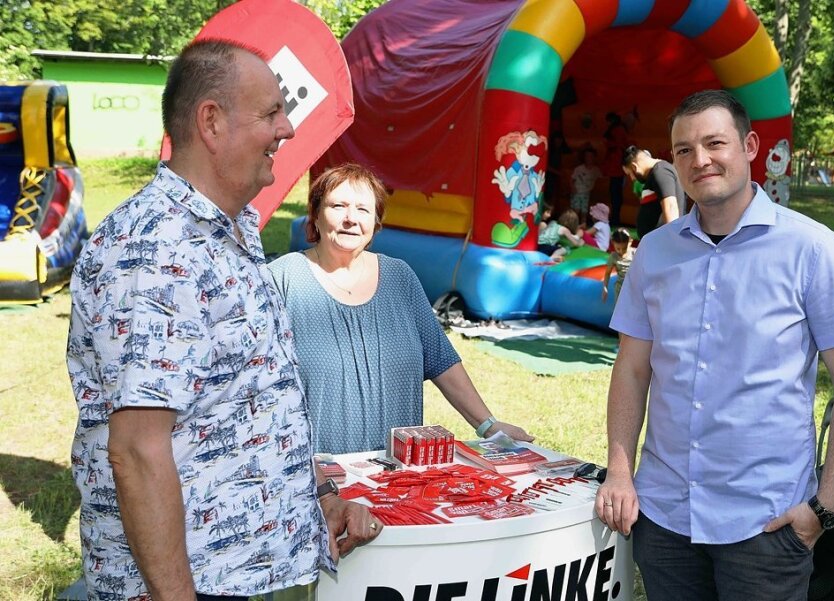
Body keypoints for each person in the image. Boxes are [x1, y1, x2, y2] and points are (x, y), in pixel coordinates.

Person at [67, 40, 380, 601]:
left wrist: (316, 495)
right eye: (271, 113)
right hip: (197, 584)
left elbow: (250, 401)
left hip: (256, 571)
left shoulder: (228, 232)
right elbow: (137, 450)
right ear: (210, 121)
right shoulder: (155, 249)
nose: (286, 129)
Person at [595, 89, 834, 601]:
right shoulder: (655, 253)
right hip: (664, 517)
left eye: (714, 143)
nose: (699, 160)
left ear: (749, 145)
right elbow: (633, 370)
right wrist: (619, 469)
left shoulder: (812, 248)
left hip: (767, 525)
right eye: (683, 150)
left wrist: (824, 508)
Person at [268, 163, 533, 455]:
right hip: (316, 477)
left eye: (363, 209)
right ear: (315, 215)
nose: (350, 219)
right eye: (338, 206)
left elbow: (441, 360)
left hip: (398, 476)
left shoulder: (399, 277)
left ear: (376, 222)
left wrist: (488, 425)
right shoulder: (282, 279)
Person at [622, 145, 685, 239]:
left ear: (634, 167)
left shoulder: (660, 171)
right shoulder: (655, 173)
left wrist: (673, 240)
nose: (632, 178)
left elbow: (670, 206)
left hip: (663, 243)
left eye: (630, 174)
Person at [602, 112, 630, 225]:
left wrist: (608, 143)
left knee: (615, 195)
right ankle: (615, 218)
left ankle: (615, 219)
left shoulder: (617, 129)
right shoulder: (618, 129)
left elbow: (619, 144)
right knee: (615, 195)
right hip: (615, 168)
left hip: (617, 168)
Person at [601, 228, 634, 303]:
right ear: (613, 243)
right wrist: (605, 287)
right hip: (620, 289)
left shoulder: (635, 253)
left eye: (624, 248)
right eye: (618, 248)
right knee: (620, 310)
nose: (621, 251)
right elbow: (607, 273)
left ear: (630, 242)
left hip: (633, 288)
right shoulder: (613, 256)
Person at [570, 146, 602, 222]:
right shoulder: (579, 169)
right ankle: (574, 226)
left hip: (586, 193)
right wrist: (572, 188)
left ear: (594, 157)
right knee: (576, 211)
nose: (589, 158)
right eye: (587, 156)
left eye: (591, 156)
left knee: (584, 212)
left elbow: (602, 179)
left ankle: (583, 227)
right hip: (577, 192)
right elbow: (572, 179)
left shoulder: (596, 170)